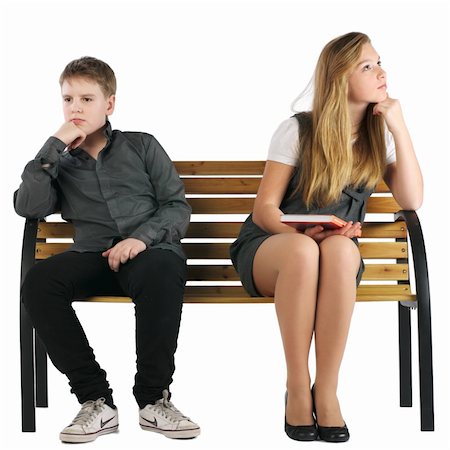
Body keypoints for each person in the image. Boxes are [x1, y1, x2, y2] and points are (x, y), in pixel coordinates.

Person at [230, 32, 423, 443]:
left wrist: (399, 127)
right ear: (339, 78)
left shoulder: (379, 136)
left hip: (333, 254)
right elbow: (265, 210)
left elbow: (412, 198)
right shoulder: (298, 130)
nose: (381, 72)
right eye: (367, 66)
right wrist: (300, 230)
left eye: (379, 62)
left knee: (336, 249)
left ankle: (328, 390)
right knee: (304, 249)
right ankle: (298, 387)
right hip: (275, 248)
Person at [14, 57, 200, 443]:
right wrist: (53, 147)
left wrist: (141, 239)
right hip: (92, 256)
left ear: (109, 104)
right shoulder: (58, 164)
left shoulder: (142, 145)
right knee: (39, 281)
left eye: (86, 98)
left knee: (161, 268)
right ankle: (95, 400)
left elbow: (176, 206)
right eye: (68, 100)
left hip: (149, 257)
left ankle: (153, 400)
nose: (76, 108)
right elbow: (28, 207)